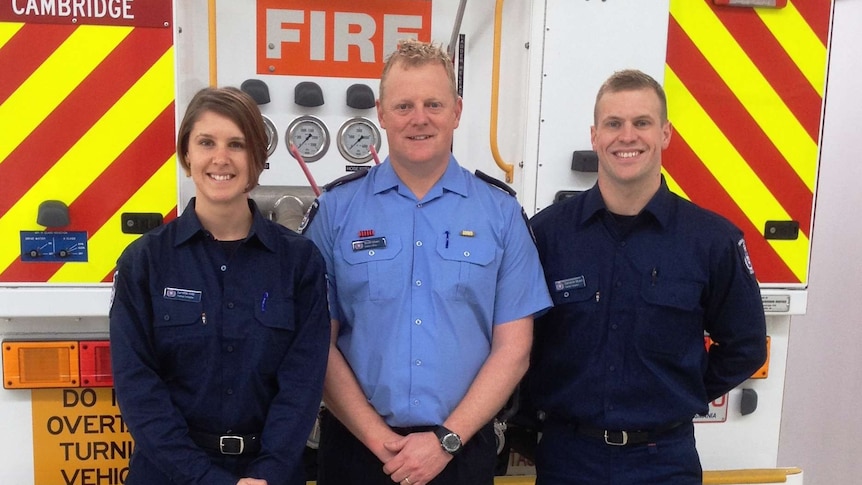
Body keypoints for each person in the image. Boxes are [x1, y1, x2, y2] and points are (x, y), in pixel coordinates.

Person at [301, 39, 552, 485]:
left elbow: (514, 349)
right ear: (380, 114)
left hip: (461, 452)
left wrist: (445, 441)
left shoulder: (500, 214)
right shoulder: (336, 212)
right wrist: (381, 441)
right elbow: (316, 342)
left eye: (433, 104)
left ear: (456, 111)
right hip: (357, 453)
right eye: (404, 106)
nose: (420, 118)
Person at [527, 69, 768, 484]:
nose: (627, 136)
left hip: (664, 461)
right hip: (568, 458)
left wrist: (678, 392)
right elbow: (519, 342)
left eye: (642, 123)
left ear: (665, 134)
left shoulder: (711, 240)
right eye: (613, 124)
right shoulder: (547, 234)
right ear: (595, 135)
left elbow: (745, 346)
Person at [109, 87, 330, 485]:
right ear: (187, 154)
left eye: (237, 144)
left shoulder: (299, 263)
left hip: (269, 475)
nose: (220, 158)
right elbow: (138, 388)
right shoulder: (145, 262)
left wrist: (268, 471)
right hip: (169, 474)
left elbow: (302, 384)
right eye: (206, 142)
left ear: (257, 158)